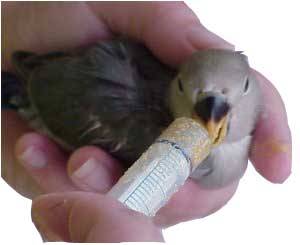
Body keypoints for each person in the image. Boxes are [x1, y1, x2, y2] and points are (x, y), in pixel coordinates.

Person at [1, 2, 292, 242]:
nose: (211, 121)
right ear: (178, 85)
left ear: (250, 86)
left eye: (241, 88)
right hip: (41, 90)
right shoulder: (150, 132)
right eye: (187, 92)